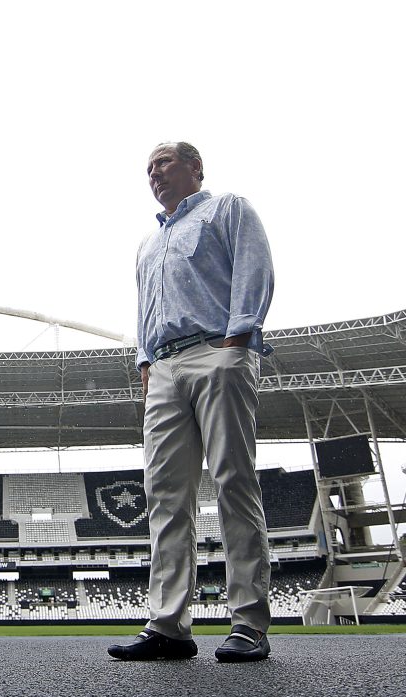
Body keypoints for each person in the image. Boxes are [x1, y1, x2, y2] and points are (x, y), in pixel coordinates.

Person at [108, 142, 275, 663]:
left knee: (233, 482)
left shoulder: (227, 208)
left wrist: (239, 337)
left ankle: (248, 623)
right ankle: (169, 626)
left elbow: (254, 268)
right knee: (164, 497)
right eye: (149, 168)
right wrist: (143, 361)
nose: (154, 172)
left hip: (215, 351)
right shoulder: (147, 244)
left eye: (164, 162)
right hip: (162, 366)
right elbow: (146, 306)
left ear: (195, 167)